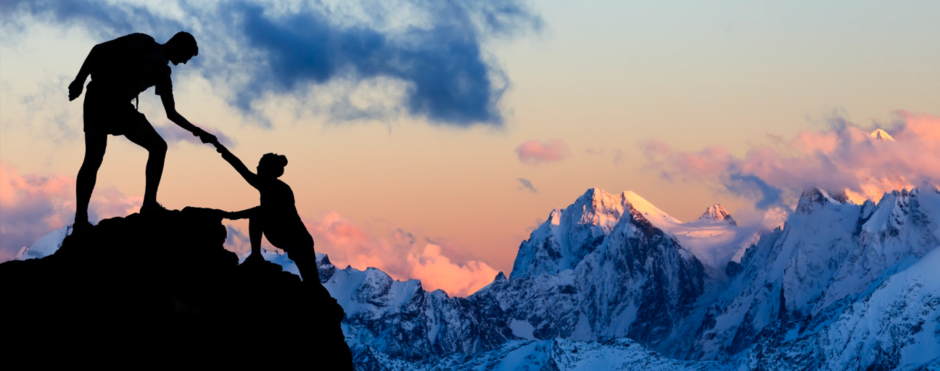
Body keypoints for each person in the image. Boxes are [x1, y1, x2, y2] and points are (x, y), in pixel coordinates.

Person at [68, 31, 217, 228]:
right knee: (93, 158)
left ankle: (149, 204)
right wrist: (79, 80)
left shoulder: (164, 73)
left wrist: (198, 131)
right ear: (178, 44)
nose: (184, 62)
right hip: (100, 96)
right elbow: (99, 50)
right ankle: (80, 220)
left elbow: (171, 113)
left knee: (158, 147)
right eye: (186, 56)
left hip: (121, 107)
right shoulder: (143, 42)